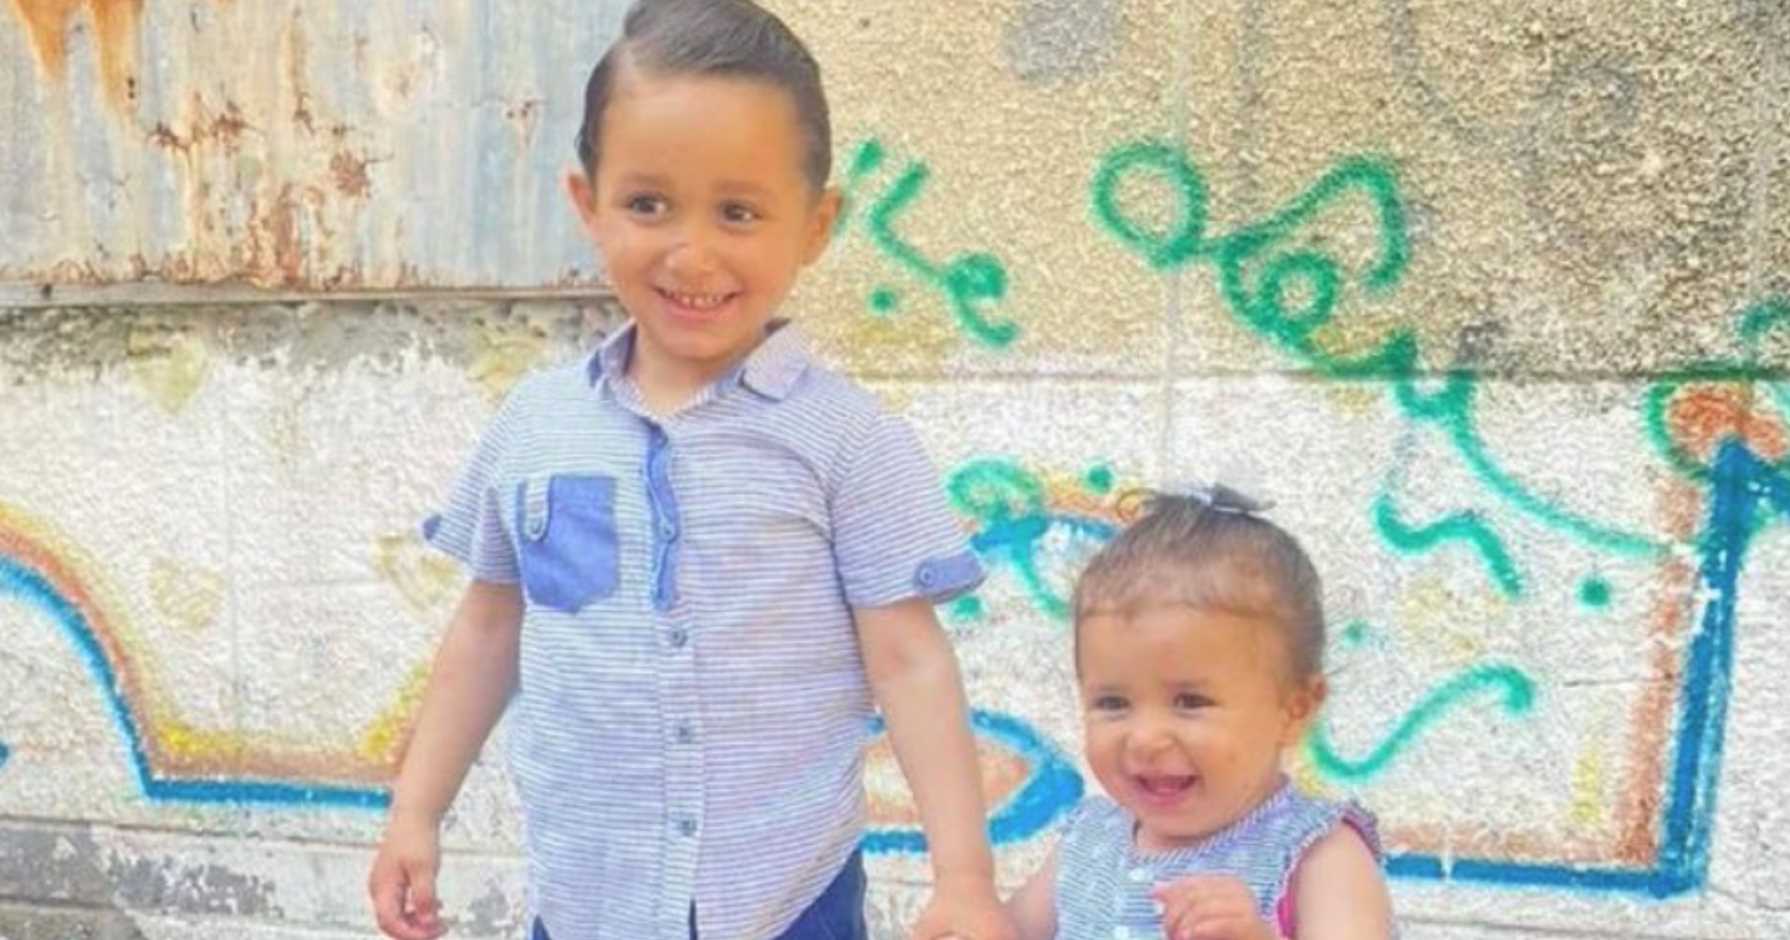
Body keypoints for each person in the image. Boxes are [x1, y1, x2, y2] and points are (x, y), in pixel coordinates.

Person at [367, 2, 1013, 938]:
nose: (692, 252)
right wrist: (415, 812)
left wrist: (965, 880)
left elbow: (911, 661)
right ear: (588, 205)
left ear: (816, 225)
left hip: (782, 901)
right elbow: (488, 627)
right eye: (647, 204)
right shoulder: (535, 426)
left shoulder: (846, 440)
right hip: (588, 902)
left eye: (738, 212)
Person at [1005, 486, 1394, 940]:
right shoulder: (1089, 839)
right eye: (1113, 703)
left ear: (1294, 709)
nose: (1145, 738)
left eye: (1190, 702)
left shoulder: (1320, 855)